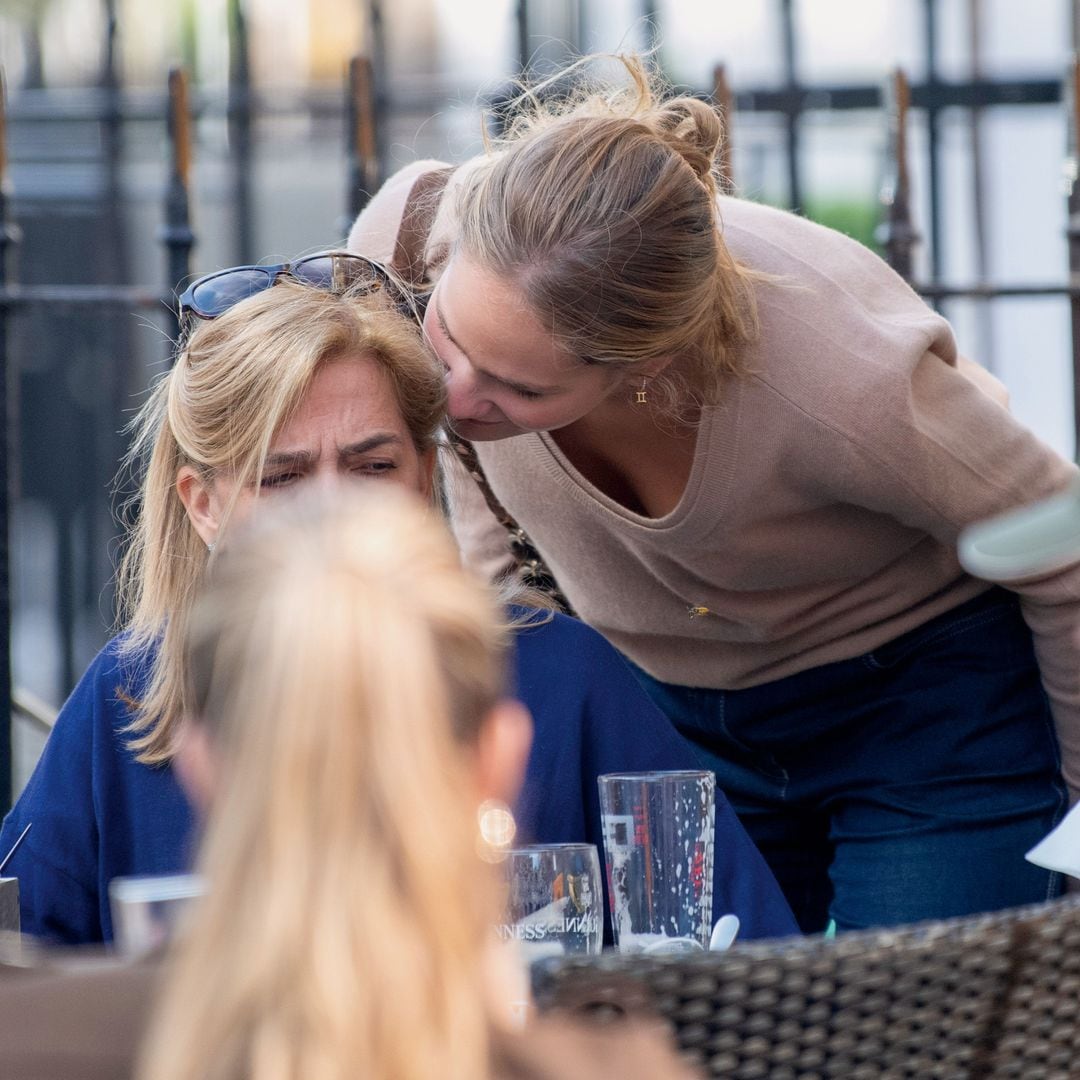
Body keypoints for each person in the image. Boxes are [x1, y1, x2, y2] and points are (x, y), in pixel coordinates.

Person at [347, 52, 1079, 933]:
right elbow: (489, 552)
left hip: (919, 714)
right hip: (668, 726)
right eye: (449, 341)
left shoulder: (841, 377)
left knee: (907, 1044)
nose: (456, 401)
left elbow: (1060, 544)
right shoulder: (403, 252)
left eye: (520, 390)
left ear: (646, 367)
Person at [0, 255, 796, 945]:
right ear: (203, 506)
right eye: (281, 477)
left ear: (423, 477)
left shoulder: (565, 679)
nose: (334, 508)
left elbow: (733, 961)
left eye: (371, 466)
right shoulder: (128, 696)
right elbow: (24, 980)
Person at [137, 488, 697, 1080]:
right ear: (499, 760)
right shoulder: (626, 1068)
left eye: (371, 468)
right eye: (282, 472)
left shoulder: (47, 1044)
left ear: (199, 766)